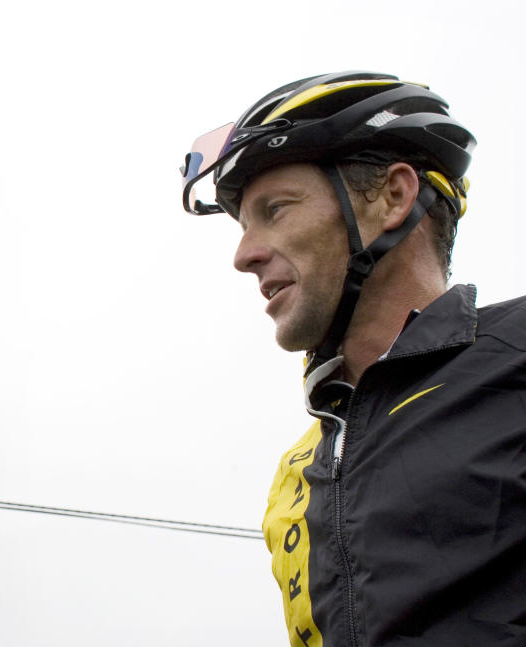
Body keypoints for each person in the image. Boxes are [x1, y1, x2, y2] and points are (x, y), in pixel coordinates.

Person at [180, 72, 526, 646]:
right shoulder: (295, 472)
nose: (244, 255)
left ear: (393, 197)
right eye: (244, 227)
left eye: (276, 209)